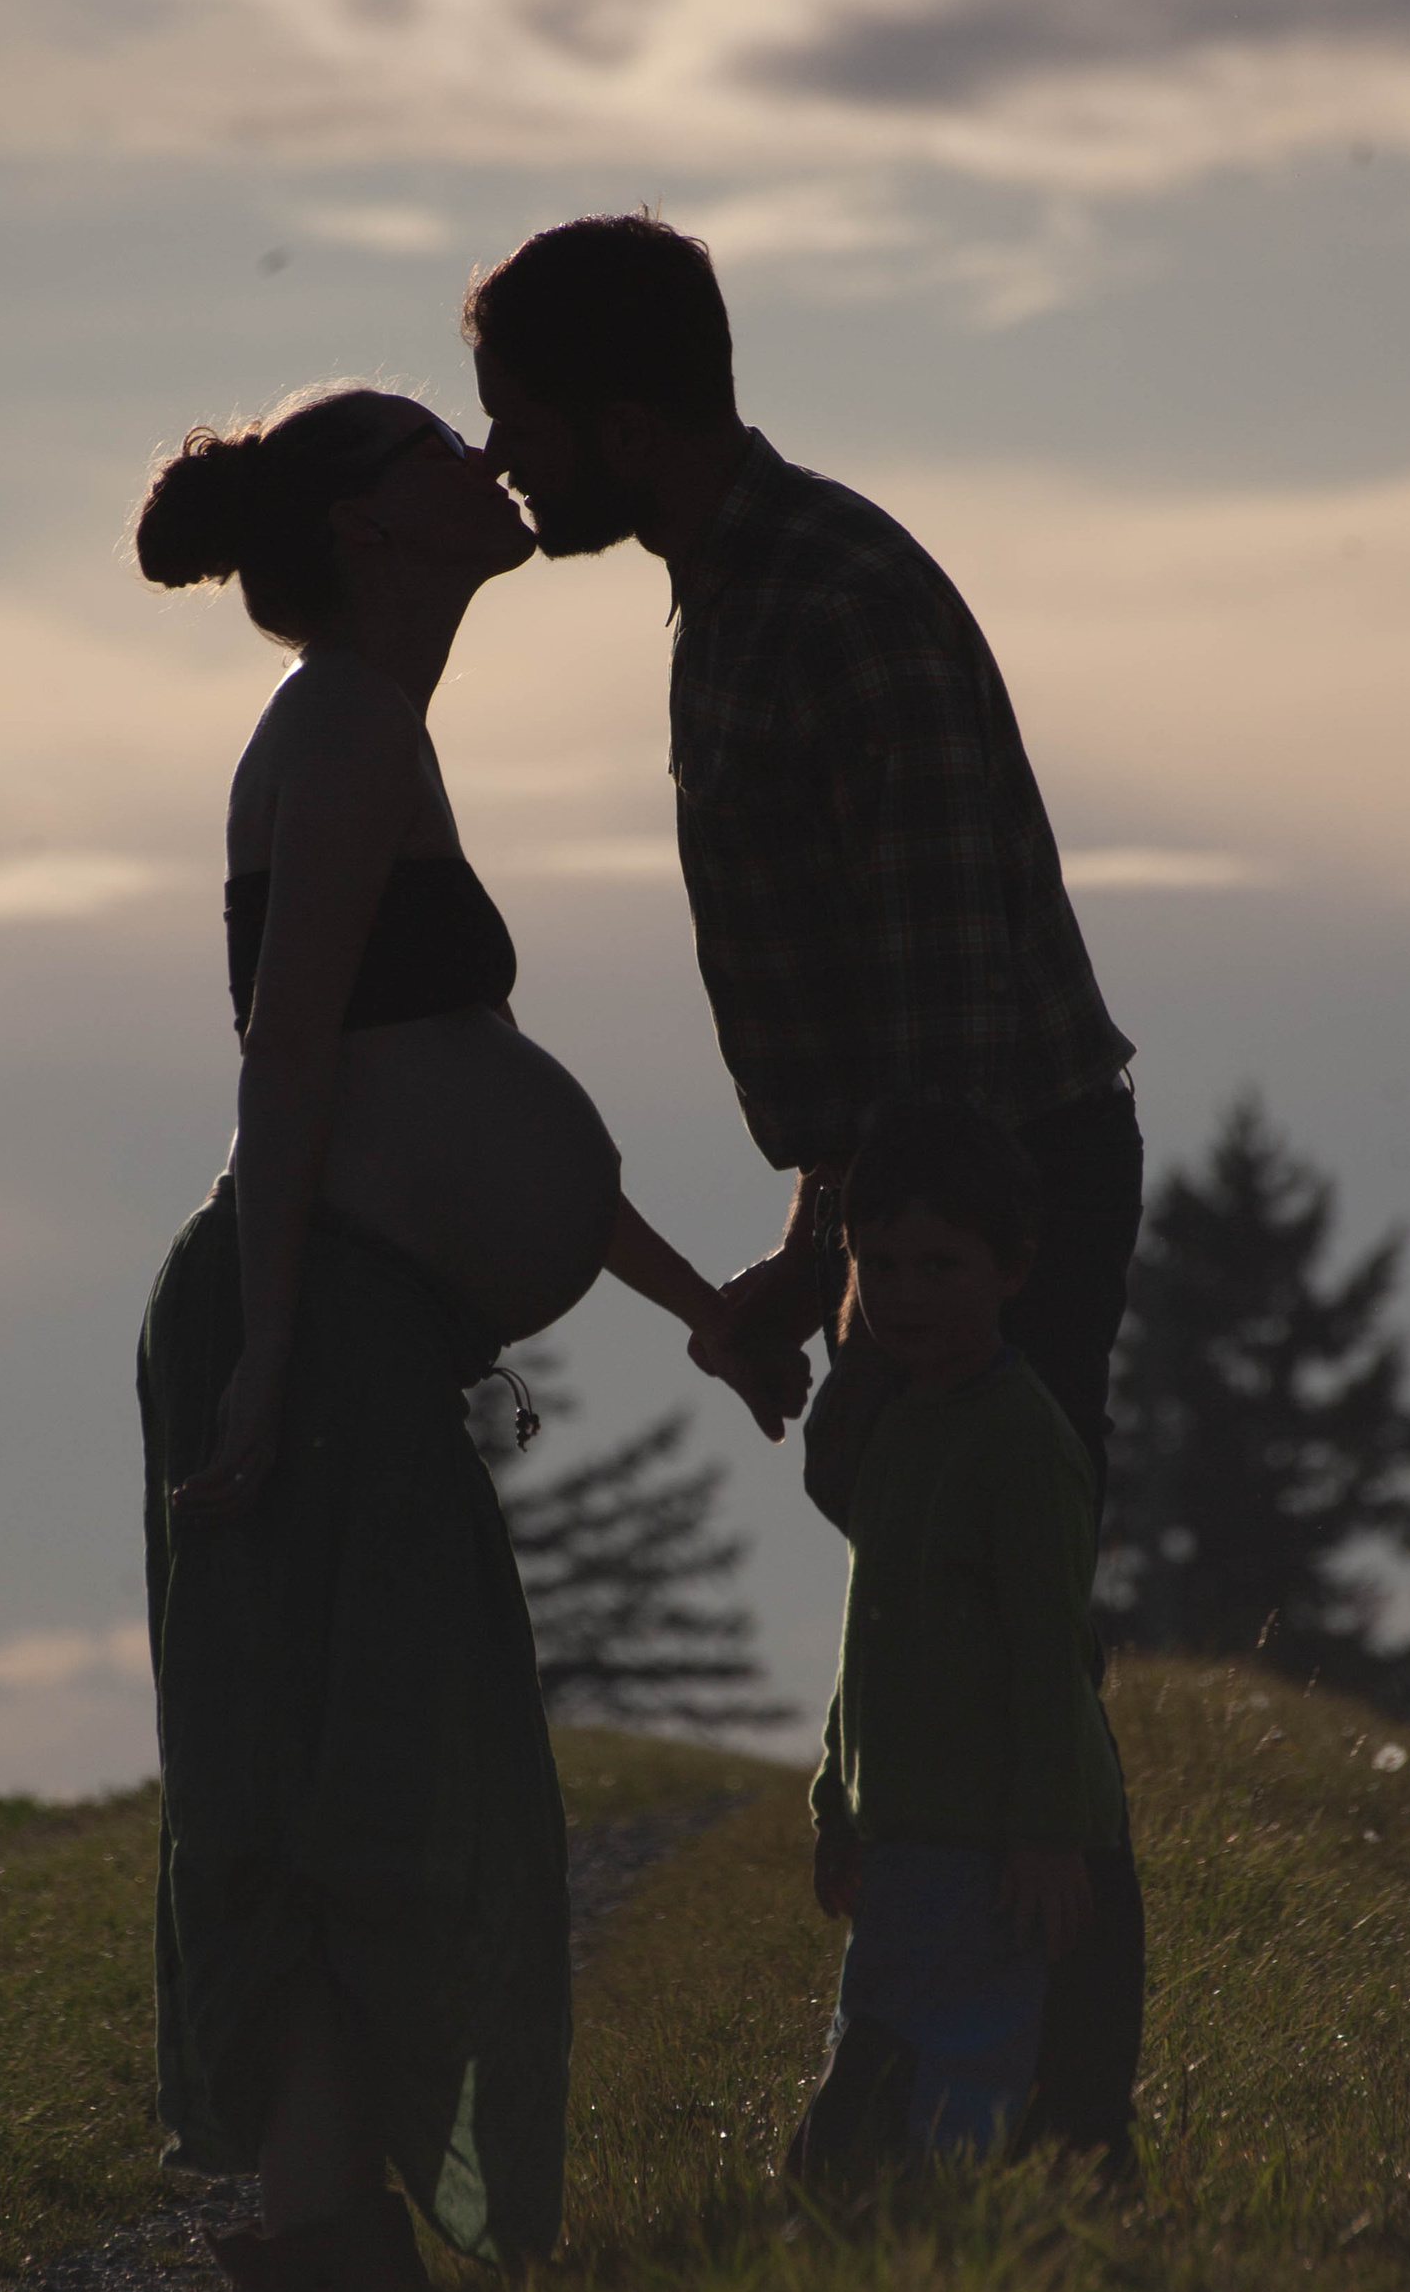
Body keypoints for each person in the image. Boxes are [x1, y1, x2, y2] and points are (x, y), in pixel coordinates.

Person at [132, 380, 784, 2292]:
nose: (484, 462)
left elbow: (466, 1095)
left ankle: (334, 2252)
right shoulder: (333, 728)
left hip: (341, 1322)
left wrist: (697, 1306)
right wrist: (260, 1367)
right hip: (302, 1322)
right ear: (371, 525)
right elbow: (286, 1068)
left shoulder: (375, 729)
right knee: (363, 1777)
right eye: (437, 446)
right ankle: (323, 2262)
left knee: (395, 1771)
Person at [462, 211, 1140, 1519]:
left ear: (628, 431)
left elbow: (942, 1015)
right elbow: (867, 1014)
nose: (499, 462)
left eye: (521, 428)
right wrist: (817, 1245)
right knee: (916, 1559)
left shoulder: (831, 607)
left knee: (974, 1571)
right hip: (932, 1181)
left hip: (995, 1178)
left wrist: (901, 1268)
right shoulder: (732, 593)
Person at [787, 1098, 1145, 2188]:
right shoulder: (898, 1421)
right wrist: (836, 1802)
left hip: (995, 1846)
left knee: (955, 2068)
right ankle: (881, 2214)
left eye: (940, 1266)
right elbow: (875, 1634)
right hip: (907, 1835)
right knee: (888, 2036)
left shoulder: (1020, 1442)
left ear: (1013, 1270)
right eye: (879, 1263)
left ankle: (938, 2233)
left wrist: (1045, 1833)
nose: (902, 1295)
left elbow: (1047, 1656)